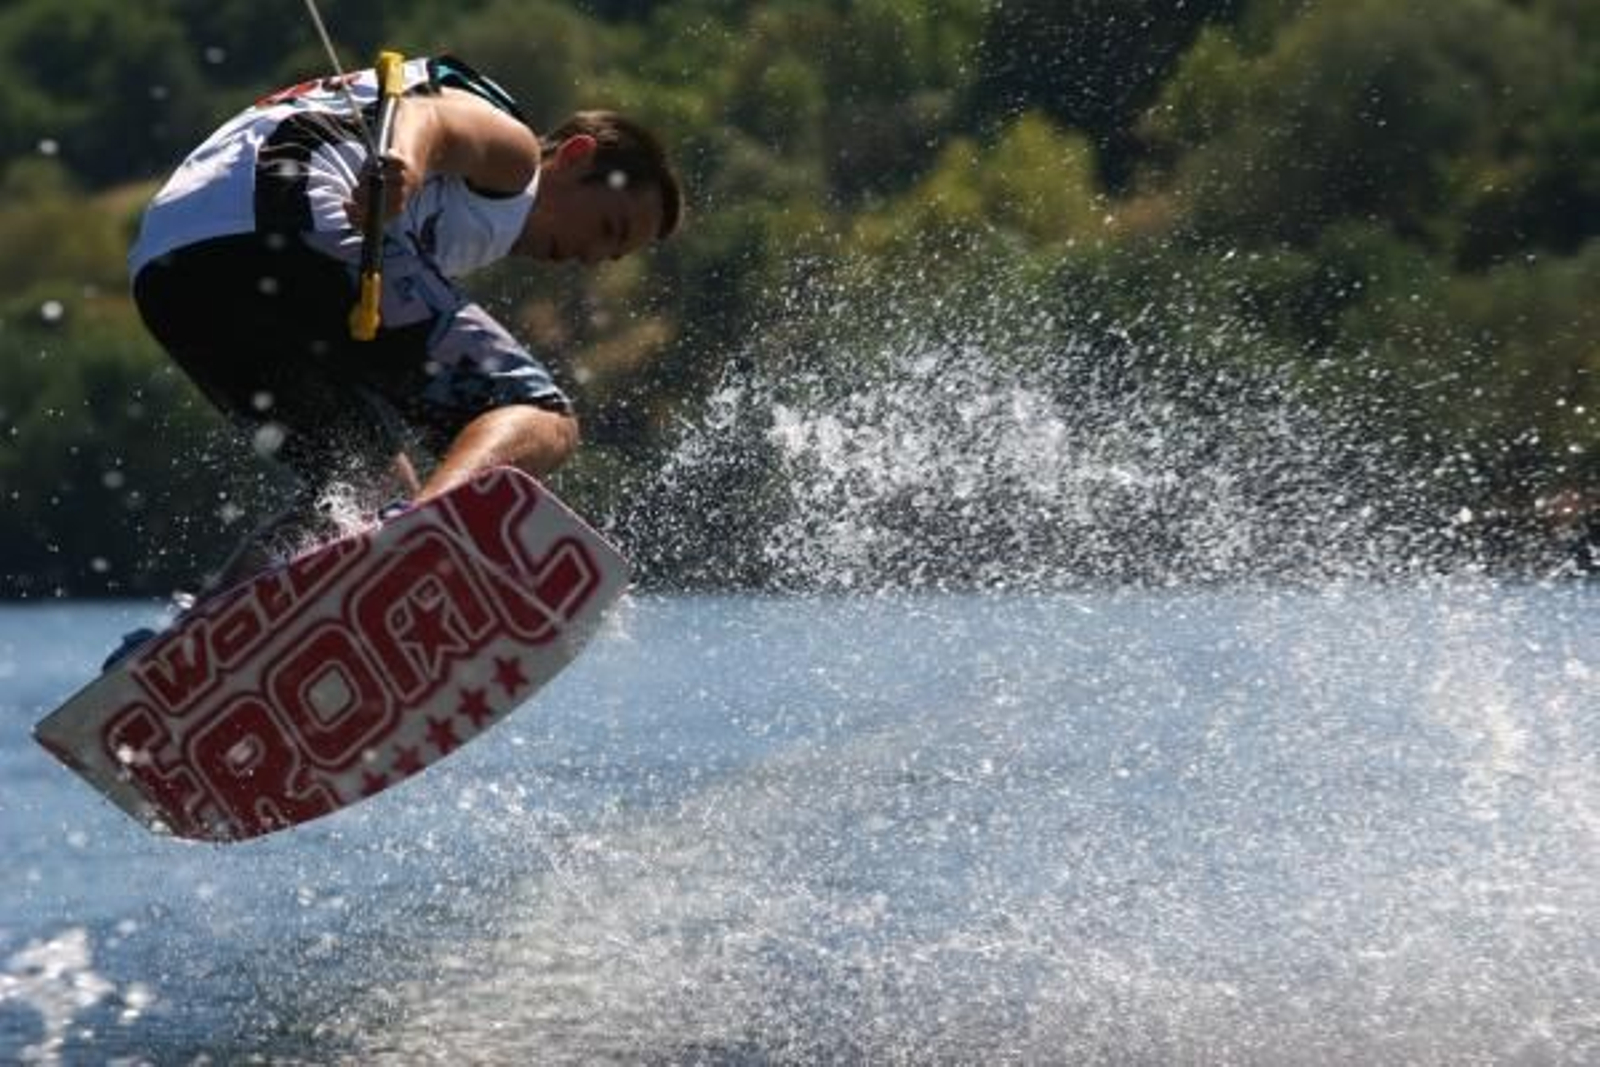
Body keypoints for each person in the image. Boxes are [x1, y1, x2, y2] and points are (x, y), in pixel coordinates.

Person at [109, 54, 682, 664]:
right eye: (611, 229)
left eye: (613, 256)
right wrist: (404, 164)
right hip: (296, 221)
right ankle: (423, 536)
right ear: (576, 156)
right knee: (539, 414)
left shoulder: (466, 210)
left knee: (361, 491)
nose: (592, 258)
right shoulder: (515, 158)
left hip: (174, 269)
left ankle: (190, 650)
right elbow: (431, 118)